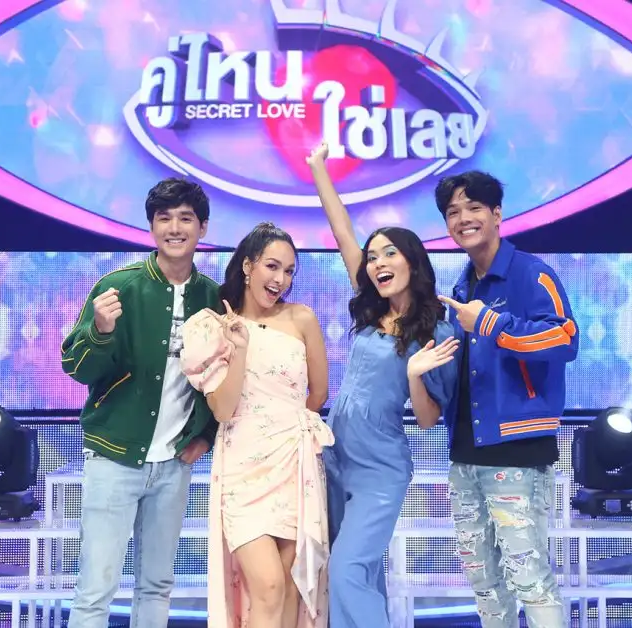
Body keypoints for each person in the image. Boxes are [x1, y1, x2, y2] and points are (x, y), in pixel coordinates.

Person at [306, 142, 460, 628]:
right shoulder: (371, 307)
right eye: (372, 257)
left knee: (348, 569)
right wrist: (317, 168)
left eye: (389, 253)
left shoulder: (438, 330)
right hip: (334, 458)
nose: (377, 262)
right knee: (358, 574)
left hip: (380, 469)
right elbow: (341, 232)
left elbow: (430, 418)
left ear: (412, 261)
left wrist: (415, 374)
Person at [60, 178, 221, 627]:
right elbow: (75, 367)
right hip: (114, 458)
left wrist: (204, 436)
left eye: (185, 218)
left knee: (156, 585)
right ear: (151, 227)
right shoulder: (118, 287)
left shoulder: (213, 297)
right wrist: (101, 331)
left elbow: (223, 378)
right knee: (95, 589)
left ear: (203, 228)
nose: (175, 228)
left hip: (173, 465)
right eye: (164, 219)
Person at [434, 171, 579, 628]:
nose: (463, 218)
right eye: (453, 212)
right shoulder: (462, 287)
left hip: (518, 449)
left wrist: (492, 324)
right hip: (465, 452)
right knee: (483, 581)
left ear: (497, 214)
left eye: (474, 207)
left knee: (529, 576)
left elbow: (565, 339)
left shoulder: (532, 274)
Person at [180, 222, 333, 628]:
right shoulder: (214, 326)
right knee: (267, 585)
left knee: (290, 585)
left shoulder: (302, 318)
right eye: (272, 266)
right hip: (243, 471)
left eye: (289, 271)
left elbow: (318, 393)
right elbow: (223, 410)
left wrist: (284, 426)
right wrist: (240, 349)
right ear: (248, 266)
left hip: (294, 465)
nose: (280, 279)